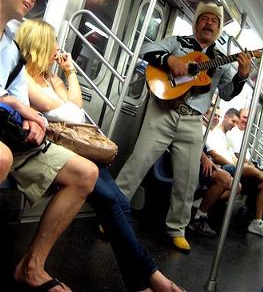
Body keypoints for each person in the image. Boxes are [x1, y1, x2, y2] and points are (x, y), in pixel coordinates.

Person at [16, 18, 186, 292]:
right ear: (40, 44)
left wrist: (69, 71)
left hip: (69, 144)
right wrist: (65, 104)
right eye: (54, 42)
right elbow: (60, 108)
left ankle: (142, 280)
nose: (58, 47)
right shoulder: (23, 75)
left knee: (120, 201)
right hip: (53, 145)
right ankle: (150, 278)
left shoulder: (49, 76)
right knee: (110, 200)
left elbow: (77, 105)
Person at [116, 1, 252, 252]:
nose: (209, 23)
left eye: (214, 20)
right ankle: (112, 214)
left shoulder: (221, 61)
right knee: (137, 164)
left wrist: (242, 76)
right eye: (205, 18)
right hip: (162, 112)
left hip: (192, 121)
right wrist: (169, 60)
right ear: (196, 22)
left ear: (219, 28)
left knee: (187, 179)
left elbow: (226, 92)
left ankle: (177, 229)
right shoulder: (177, 42)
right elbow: (146, 49)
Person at [0, 0, 99, 292]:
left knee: (86, 173)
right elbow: (15, 101)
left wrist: (31, 118)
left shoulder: (12, 47)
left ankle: (32, 266)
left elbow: (17, 97)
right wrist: (22, 109)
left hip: (8, 130)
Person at [206, 108, 263, 239]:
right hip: (223, 167)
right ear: (226, 117)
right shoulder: (215, 134)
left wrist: (239, 163)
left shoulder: (226, 137)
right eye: (233, 121)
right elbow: (215, 155)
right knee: (247, 169)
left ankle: (257, 222)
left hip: (231, 165)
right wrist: (237, 165)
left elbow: (232, 155)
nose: (234, 124)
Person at [189, 107, 236, 237]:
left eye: (218, 116)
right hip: (192, 162)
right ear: (205, 114)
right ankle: (199, 217)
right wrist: (205, 158)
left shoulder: (210, 132)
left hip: (204, 165)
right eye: (214, 115)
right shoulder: (199, 127)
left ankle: (199, 209)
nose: (216, 118)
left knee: (236, 185)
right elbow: (196, 147)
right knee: (225, 178)